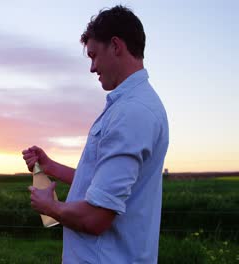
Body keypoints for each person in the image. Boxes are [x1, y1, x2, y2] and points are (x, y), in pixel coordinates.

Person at [22, 5, 169, 264]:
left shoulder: (131, 112)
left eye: (94, 56)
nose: (92, 68)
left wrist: (50, 207)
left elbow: (96, 217)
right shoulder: (131, 106)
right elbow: (103, 185)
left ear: (115, 46)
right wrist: (51, 167)